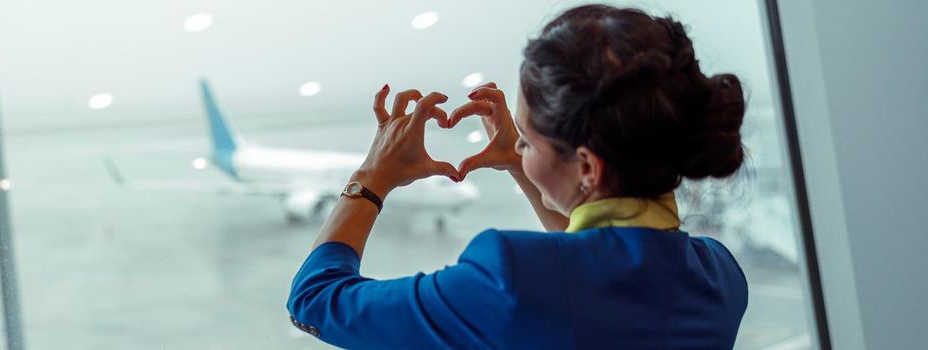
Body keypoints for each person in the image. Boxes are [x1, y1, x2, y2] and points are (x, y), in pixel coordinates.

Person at [286, 4, 748, 349]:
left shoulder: (510, 278)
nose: (520, 151)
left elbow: (315, 300)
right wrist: (518, 158)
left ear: (587, 167)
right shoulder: (720, 276)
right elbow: (601, 271)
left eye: (525, 140)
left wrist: (373, 175)